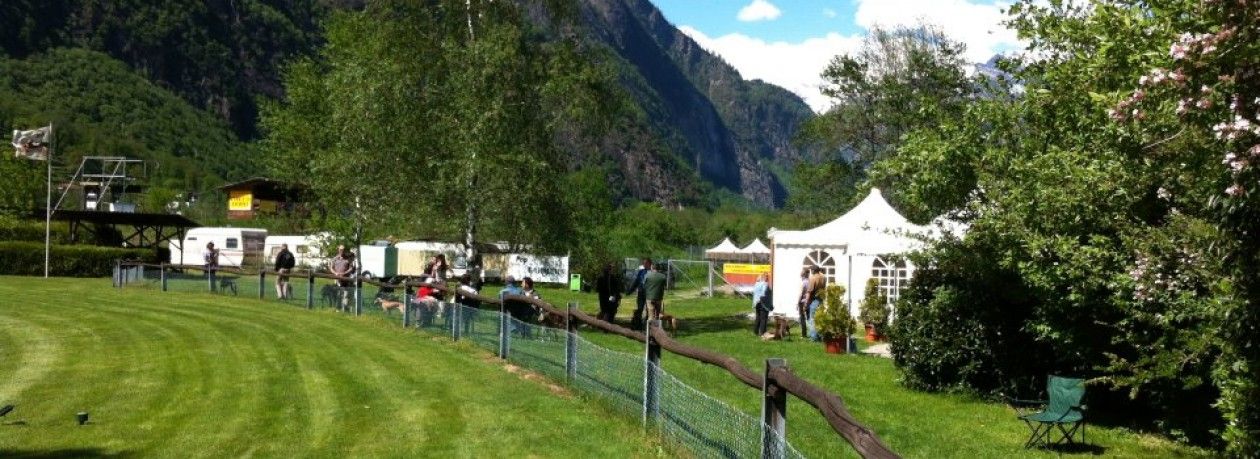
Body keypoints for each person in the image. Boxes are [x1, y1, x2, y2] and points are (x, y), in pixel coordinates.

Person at [626, 258, 653, 329]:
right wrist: (630, 291)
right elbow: (636, 282)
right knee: (639, 309)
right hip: (641, 293)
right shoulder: (641, 272)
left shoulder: (653, 272)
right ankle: (638, 324)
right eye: (643, 263)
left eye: (645, 263)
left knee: (649, 309)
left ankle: (648, 326)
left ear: (650, 264)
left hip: (649, 293)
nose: (644, 265)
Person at [805, 266, 827, 341]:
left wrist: (806, 304)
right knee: (820, 319)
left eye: (811, 270)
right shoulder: (823, 277)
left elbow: (809, 292)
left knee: (812, 319)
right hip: (821, 299)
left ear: (813, 270)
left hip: (814, 300)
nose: (810, 271)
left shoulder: (813, 278)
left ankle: (814, 337)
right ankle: (820, 336)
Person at [330, 245, 355, 311]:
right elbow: (331, 268)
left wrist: (344, 273)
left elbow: (351, 268)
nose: (342, 251)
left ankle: (345, 310)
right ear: (338, 250)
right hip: (337, 280)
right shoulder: (335, 259)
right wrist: (335, 273)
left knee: (345, 295)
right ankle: (338, 309)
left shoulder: (348, 259)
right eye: (340, 250)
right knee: (338, 295)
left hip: (346, 280)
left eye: (343, 250)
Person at [797, 268, 810, 338]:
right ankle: (812, 333)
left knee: (802, 318)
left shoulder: (803, 282)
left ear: (803, 275)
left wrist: (797, 302)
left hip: (802, 302)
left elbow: (801, 294)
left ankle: (804, 334)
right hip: (809, 301)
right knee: (809, 318)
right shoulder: (810, 281)